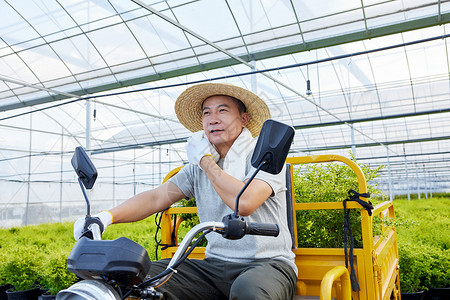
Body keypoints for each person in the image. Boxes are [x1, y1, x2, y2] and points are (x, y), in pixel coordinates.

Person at [74, 83, 297, 300]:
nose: (213, 118)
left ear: (244, 119)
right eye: (206, 112)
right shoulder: (197, 168)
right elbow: (156, 197)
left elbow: (245, 203)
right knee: (138, 280)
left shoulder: (265, 158)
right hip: (213, 267)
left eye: (223, 110)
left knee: (249, 292)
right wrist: (105, 217)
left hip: (268, 264)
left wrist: (205, 161)